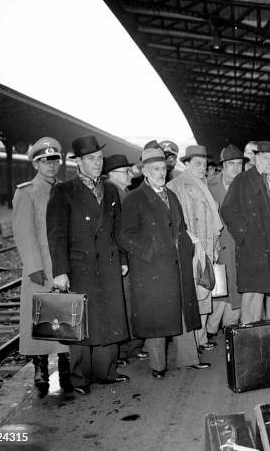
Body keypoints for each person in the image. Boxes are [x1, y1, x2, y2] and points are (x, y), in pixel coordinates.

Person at [47, 134, 130, 395]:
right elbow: (57, 234)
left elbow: (118, 229)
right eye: (91, 159)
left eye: (99, 158)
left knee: (109, 316)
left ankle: (106, 371)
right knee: (79, 321)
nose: (97, 163)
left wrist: (124, 259)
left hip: (108, 261)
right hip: (79, 265)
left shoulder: (111, 190)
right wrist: (60, 271)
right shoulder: (63, 191)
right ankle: (80, 378)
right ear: (78, 163)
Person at [119, 142, 206, 377]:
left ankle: (188, 358)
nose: (160, 173)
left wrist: (187, 246)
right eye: (155, 169)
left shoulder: (172, 195)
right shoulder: (134, 199)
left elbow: (181, 226)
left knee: (183, 313)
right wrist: (152, 251)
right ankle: (158, 366)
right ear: (145, 171)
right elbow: (124, 235)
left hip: (177, 264)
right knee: (157, 318)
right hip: (152, 269)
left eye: (163, 169)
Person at [12, 138, 71, 397]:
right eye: (45, 161)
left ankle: (67, 367)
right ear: (36, 164)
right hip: (40, 268)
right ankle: (41, 369)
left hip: (62, 265)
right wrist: (35, 268)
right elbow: (23, 233)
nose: (51, 165)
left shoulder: (65, 189)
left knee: (65, 318)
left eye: (54, 160)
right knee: (39, 319)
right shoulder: (26, 193)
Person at [221, 141, 270, 323]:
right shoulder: (244, 179)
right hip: (255, 246)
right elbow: (228, 210)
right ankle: (250, 338)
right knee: (254, 294)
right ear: (256, 158)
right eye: (266, 158)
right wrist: (245, 236)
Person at [167, 145, 223, 351]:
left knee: (204, 292)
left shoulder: (203, 184)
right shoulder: (176, 186)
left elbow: (213, 220)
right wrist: (194, 244)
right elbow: (175, 222)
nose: (202, 167)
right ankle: (191, 343)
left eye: (204, 164)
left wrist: (214, 247)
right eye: (197, 163)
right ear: (186, 164)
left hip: (206, 247)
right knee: (195, 295)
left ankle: (199, 339)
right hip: (192, 249)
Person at [102, 154, 149, 366]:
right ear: (111, 175)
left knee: (130, 303)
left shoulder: (125, 193)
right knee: (121, 304)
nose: (130, 174)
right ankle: (122, 350)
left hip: (130, 257)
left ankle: (130, 347)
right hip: (120, 259)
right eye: (125, 171)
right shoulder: (111, 194)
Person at [205, 145, 247, 336]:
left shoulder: (248, 184)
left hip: (239, 243)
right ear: (222, 166)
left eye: (239, 164)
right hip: (218, 244)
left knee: (236, 289)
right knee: (218, 289)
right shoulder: (208, 185)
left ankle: (230, 330)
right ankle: (210, 330)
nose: (236, 168)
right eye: (231, 164)